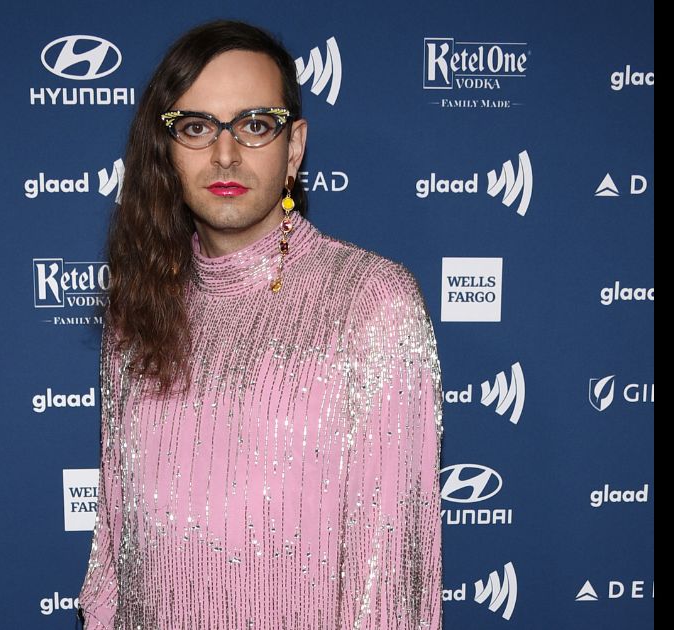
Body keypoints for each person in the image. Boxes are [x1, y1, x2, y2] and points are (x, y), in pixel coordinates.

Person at [77, 20, 443, 629]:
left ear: (293, 147)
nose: (225, 154)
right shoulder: (138, 311)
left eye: (254, 125)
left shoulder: (372, 302)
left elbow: (389, 583)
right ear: (167, 150)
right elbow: (116, 546)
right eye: (196, 127)